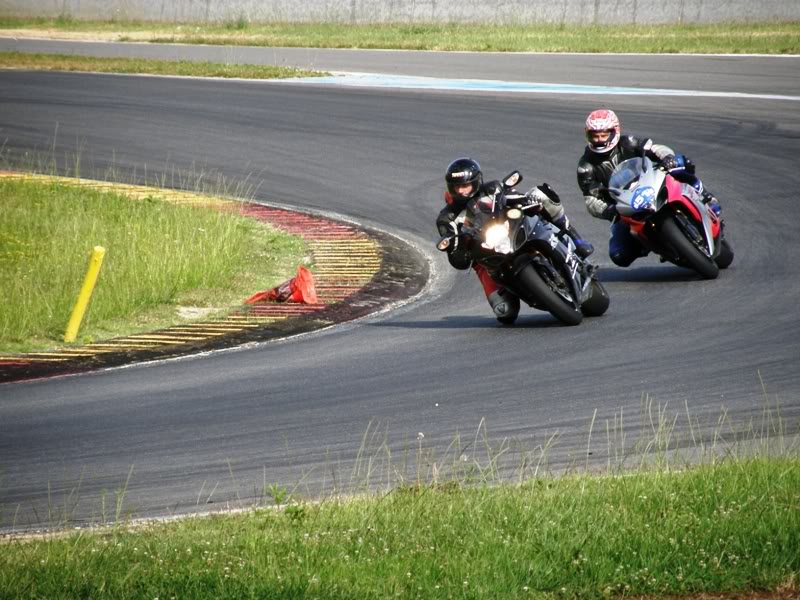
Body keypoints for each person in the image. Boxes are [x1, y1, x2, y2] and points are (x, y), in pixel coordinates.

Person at [436, 157, 594, 322]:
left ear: (476, 181)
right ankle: (513, 290)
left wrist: (526, 200)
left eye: (465, 185)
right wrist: (457, 247)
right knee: (505, 313)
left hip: (510, 230)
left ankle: (575, 239)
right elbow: (456, 258)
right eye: (456, 187)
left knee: (540, 194)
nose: (461, 191)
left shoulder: (492, 189)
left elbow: (513, 196)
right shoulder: (447, 218)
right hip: (486, 258)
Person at [577, 108, 721, 267]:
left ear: (614, 132)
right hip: (624, 207)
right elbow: (590, 199)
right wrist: (609, 210)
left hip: (650, 183)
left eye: (603, 135)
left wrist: (667, 158)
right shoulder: (586, 166)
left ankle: (706, 197)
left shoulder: (628, 142)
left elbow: (654, 148)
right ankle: (652, 245)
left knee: (681, 164)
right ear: (587, 135)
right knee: (619, 255)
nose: (599, 140)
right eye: (594, 135)